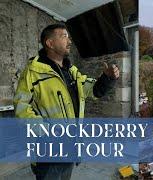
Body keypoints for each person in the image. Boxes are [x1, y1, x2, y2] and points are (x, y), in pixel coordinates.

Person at [13, 24, 119, 180]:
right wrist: (48, 133)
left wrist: (107, 78)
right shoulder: (32, 73)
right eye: (64, 36)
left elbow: (92, 90)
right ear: (50, 43)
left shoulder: (72, 71)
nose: (69, 41)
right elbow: (21, 109)